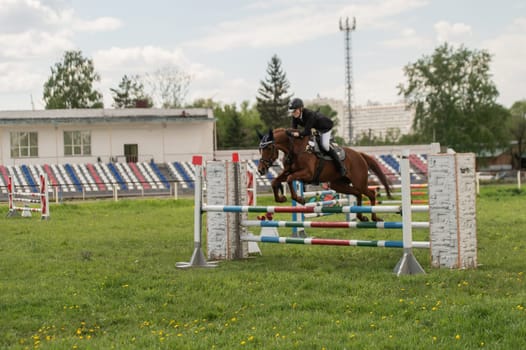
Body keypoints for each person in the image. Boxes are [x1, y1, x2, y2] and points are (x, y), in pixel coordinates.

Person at [287, 97, 346, 176]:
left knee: (324, 146)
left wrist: (296, 134)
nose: (294, 113)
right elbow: (293, 130)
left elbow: (306, 132)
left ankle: (340, 167)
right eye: (292, 111)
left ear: (301, 108)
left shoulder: (309, 114)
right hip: (314, 128)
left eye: (295, 110)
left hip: (325, 127)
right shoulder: (295, 117)